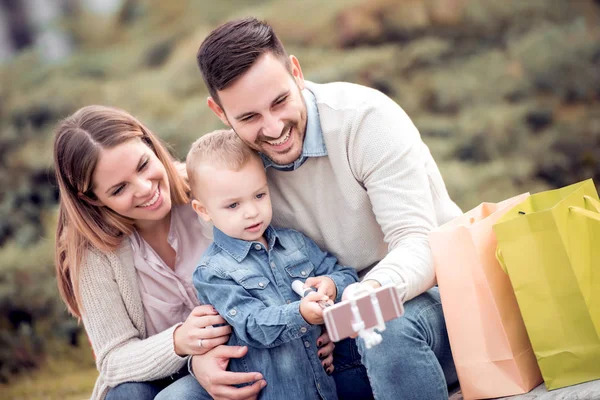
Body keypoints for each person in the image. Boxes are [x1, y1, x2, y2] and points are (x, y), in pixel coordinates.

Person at [196, 17, 462, 399]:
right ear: (220, 113)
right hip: (320, 330)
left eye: (279, 101)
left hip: (423, 299)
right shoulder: (232, 173)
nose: (272, 129)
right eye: (249, 117)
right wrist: (199, 359)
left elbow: (418, 243)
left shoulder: (365, 120)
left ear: (296, 72)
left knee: (380, 328)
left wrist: (360, 299)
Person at [54, 106, 334, 400]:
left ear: (150, 145)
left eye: (142, 165)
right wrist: (182, 344)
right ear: (92, 198)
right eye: (119, 188)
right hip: (162, 377)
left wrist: (317, 321)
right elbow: (113, 361)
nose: (145, 188)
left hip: (259, 349)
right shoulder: (93, 253)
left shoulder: (213, 189)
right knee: (127, 395)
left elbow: (290, 260)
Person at [185, 129, 359, 400]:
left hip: (326, 388)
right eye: (233, 205)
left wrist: (332, 285)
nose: (252, 211)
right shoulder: (213, 273)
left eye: (259, 195)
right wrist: (300, 314)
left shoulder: (295, 243)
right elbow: (252, 326)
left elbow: (346, 275)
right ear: (203, 210)